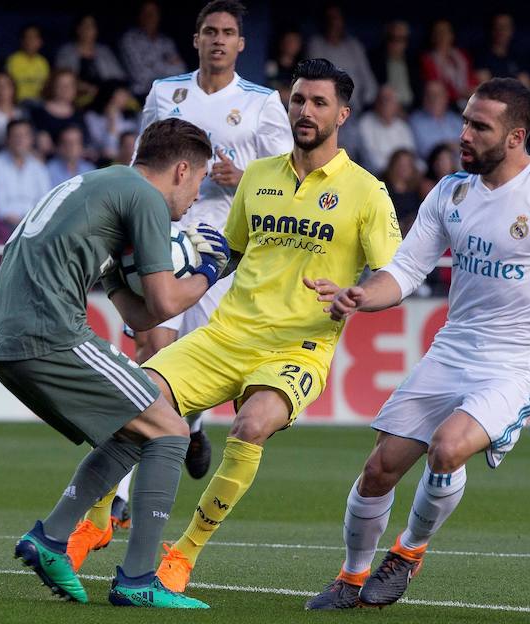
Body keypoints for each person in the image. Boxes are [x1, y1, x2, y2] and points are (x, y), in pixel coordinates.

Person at [304, 77, 530, 610]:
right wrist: (360, 294)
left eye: (480, 127)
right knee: (380, 467)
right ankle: (351, 576)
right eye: (465, 121)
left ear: (516, 136)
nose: (465, 134)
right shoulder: (451, 191)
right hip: (452, 350)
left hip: (516, 365)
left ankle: (407, 553)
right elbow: (407, 270)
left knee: (448, 447)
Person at [148, 57, 401, 595]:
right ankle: (95, 521)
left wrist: (357, 296)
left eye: (318, 103)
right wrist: (168, 295)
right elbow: (232, 254)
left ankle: (183, 553)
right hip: (227, 333)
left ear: (344, 114)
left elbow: (395, 274)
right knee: (137, 396)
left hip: (298, 346)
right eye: (298, 100)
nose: (305, 111)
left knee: (251, 424)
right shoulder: (258, 176)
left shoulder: (367, 192)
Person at [66, 0, 294, 565]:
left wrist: (242, 179)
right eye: (210, 31)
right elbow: (146, 162)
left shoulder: (263, 105)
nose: (219, 40)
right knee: (150, 352)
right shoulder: (166, 91)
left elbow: (291, 182)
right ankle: (114, 502)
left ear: (242, 44)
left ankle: (185, 431)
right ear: (195, 39)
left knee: (184, 367)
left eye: (229, 33)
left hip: (220, 251)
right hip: (159, 237)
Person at [0, 117, 223, 609]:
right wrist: (210, 270)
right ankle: (138, 581)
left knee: (136, 427)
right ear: (182, 170)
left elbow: (135, 313)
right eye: (200, 179)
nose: (197, 194)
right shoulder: (144, 198)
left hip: (9, 336)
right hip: (49, 330)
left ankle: (51, 539)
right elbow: (161, 304)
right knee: (172, 429)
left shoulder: (101, 185)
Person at [306, 5, 377, 114]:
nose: (333, 23)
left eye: (336, 18)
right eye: (329, 18)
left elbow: (369, 83)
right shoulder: (316, 44)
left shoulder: (354, 46)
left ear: (343, 21)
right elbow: (315, 80)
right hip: (326, 110)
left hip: (355, 111)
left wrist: (363, 106)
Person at [0, 119, 50, 225]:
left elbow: (45, 202)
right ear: (7, 139)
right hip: (2, 224)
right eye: (16, 135)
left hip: (34, 226)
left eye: (25, 136)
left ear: (31, 140)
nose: (20, 140)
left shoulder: (39, 168)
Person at [119, 0, 186, 101]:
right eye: (146, 13)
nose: (149, 17)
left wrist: (152, 65)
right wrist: (167, 64)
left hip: (170, 93)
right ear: (139, 16)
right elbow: (140, 76)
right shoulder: (129, 39)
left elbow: (181, 69)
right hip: (143, 95)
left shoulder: (166, 41)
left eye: (153, 13)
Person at [357, 85, 416, 174]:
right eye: (383, 99)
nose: (385, 103)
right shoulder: (365, 124)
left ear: (397, 105)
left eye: (390, 100)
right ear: (376, 102)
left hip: (404, 174)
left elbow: (411, 154)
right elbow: (371, 160)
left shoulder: (402, 126)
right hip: (379, 175)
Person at [5, 24, 49, 103]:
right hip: (18, 102)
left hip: (38, 103)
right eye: (28, 37)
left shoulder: (43, 62)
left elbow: (46, 88)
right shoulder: (13, 60)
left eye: (34, 37)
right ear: (22, 40)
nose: (31, 41)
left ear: (40, 42)